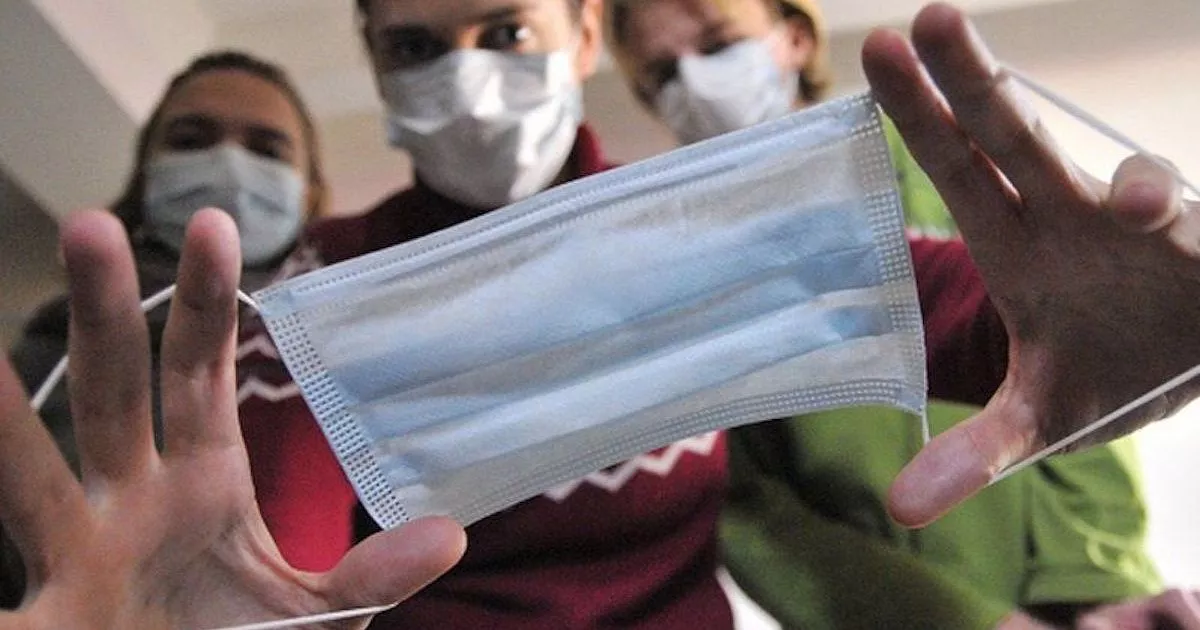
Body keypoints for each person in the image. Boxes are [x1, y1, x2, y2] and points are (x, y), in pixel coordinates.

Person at [0, 3, 1198, 628]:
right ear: (372, 61)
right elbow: (275, 549)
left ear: (583, 33)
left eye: (506, 32)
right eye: (415, 46)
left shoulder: (719, 227)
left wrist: (1149, 325)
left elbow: (984, 319)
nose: (466, 74)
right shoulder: (317, 296)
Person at [605, 0, 1161, 627]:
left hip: (1081, 592)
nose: (696, 83)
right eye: (664, 74)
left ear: (794, 37)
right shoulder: (689, 267)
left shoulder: (945, 165)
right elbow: (746, 509)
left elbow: (1075, 364)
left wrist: (1097, 587)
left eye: (718, 45)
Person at [2, 51, 345, 607]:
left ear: (309, 190)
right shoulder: (56, 347)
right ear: (146, 174)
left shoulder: (344, 344)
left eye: (266, 150)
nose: (229, 163)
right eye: (191, 140)